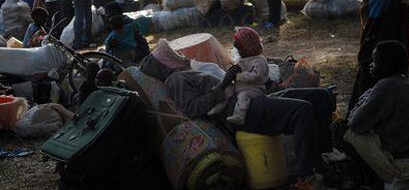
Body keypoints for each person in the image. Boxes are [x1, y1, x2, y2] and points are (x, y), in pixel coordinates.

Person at [141, 50, 334, 189]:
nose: (179, 54)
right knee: (302, 110)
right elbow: (192, 109)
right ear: (167, 62)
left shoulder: (184, 73)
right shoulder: (176, 79)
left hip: (247, 99)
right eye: (173, 54)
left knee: (319, 96)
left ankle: (321, 159)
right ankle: (305, 178)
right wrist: (223, 84)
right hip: (239, 111)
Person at [345, 40, 409, 188]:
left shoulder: (387, 86)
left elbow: (356, 124)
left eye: (375, 61)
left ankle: (371, 179)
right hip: (408, 153)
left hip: (403, 161)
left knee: (345, 132)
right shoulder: (405, 83)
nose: (371, 65)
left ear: (386, 66)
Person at [224, 27, 269, 125]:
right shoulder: (246, 58)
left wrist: (239, 76)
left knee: (243, 97)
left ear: (248, 47)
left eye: (240, 49)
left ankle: (240, 116)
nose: (239, 52)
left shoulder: (259, 61)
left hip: (254, 89)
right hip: (241, 86)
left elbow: (257, 77)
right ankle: (218, 106)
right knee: (226, 91)